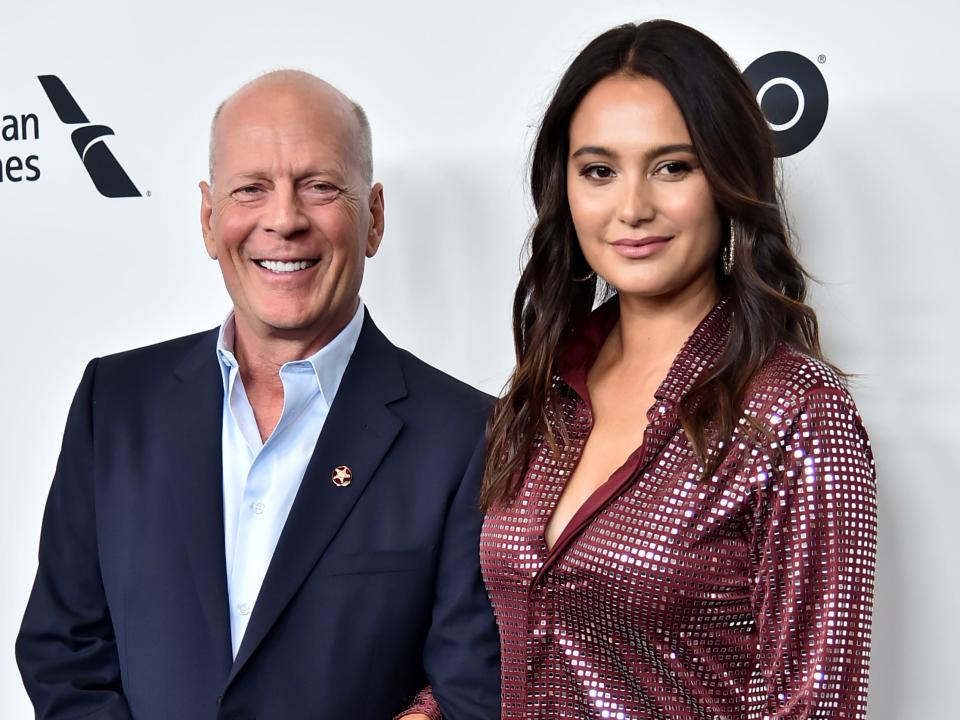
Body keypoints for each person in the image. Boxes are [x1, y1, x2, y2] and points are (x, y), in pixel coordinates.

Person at [17, 70, 500, 720]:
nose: (283, 220)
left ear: (375, 218)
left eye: (320, 186)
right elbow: (64, 650)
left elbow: (472, 691)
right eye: (251, 189)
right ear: (209, 218)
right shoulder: (116, 403)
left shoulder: (467, 435)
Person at [480, 20, 876, 720]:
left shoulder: (797, 415)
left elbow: (811, 707)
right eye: (599, 171)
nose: (632, 208)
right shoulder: (541, 393)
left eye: (673, 167)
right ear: (564, 188)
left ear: (727, 179)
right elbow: (514, 637)